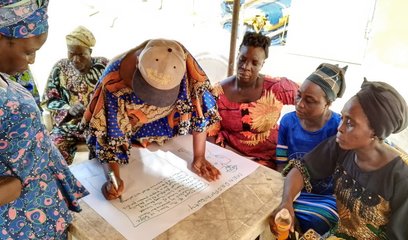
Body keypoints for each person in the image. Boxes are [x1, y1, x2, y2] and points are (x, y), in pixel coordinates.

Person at [81, 38, 222, 200]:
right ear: (136, 69)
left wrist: (199, 157)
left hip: (165, 130)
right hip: (128, 132)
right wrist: (112, 178)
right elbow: (107, 134)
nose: (153, 103)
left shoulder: (181, 61)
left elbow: (199, 107)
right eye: (148, 93)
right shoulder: (113, 81)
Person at [269, 79, 408, 239]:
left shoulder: (402, 177)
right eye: (342, 118)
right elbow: (300, 169)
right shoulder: (343, 147)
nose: (339, 127)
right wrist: (286, 203)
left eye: (349, 122)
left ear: (375, 132)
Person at [0, 1, 89, 239]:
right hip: (18, 223)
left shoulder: (8, 76)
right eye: (28, 51)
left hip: (40, 209)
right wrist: (7, 190)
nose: (32, 61)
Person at [208, 31, 298, 169]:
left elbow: (309, 98)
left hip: (273, 158)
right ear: (237, 56)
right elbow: (210, 133)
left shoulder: (276, 88)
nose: (246, 67)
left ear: (262, 64)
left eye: (254, 63)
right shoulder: (218, 93)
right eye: (243, 59)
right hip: (233, 157)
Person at [276, 63, 347, 235]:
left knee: (322, 218)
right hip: (290, 188)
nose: (299, 104)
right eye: (298, 96)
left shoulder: (338, 128)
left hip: (323, 197)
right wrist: (285, 195)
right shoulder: (288, 122)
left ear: (327, 103)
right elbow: (280, 164)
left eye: (310, 101)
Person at [41, 26, 108, 165]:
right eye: (71, 53)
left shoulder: (103, 66)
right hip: (69, 127)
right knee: (50, 150)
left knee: (107, 156)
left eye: (81, 54)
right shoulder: (60, 67)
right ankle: (63, 182)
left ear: (90, 52)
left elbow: (116, 96)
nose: (76, 59)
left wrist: (95, 112)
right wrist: (68, 110)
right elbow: (49, 98)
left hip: (99, 126)